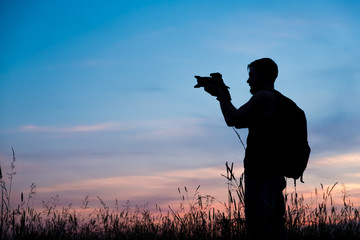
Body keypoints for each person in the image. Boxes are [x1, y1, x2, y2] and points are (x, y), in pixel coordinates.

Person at [203, 58, 287, 239]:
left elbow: (233, 119)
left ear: (264, 75)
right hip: (271, 174)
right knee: (272, 225)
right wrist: (223, 95)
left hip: (262, 174)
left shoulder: (264, 96)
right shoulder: (276, 100)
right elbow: (238, 120)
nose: (248, 80)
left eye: (252, 75)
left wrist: (222, 95)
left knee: (260, 227)